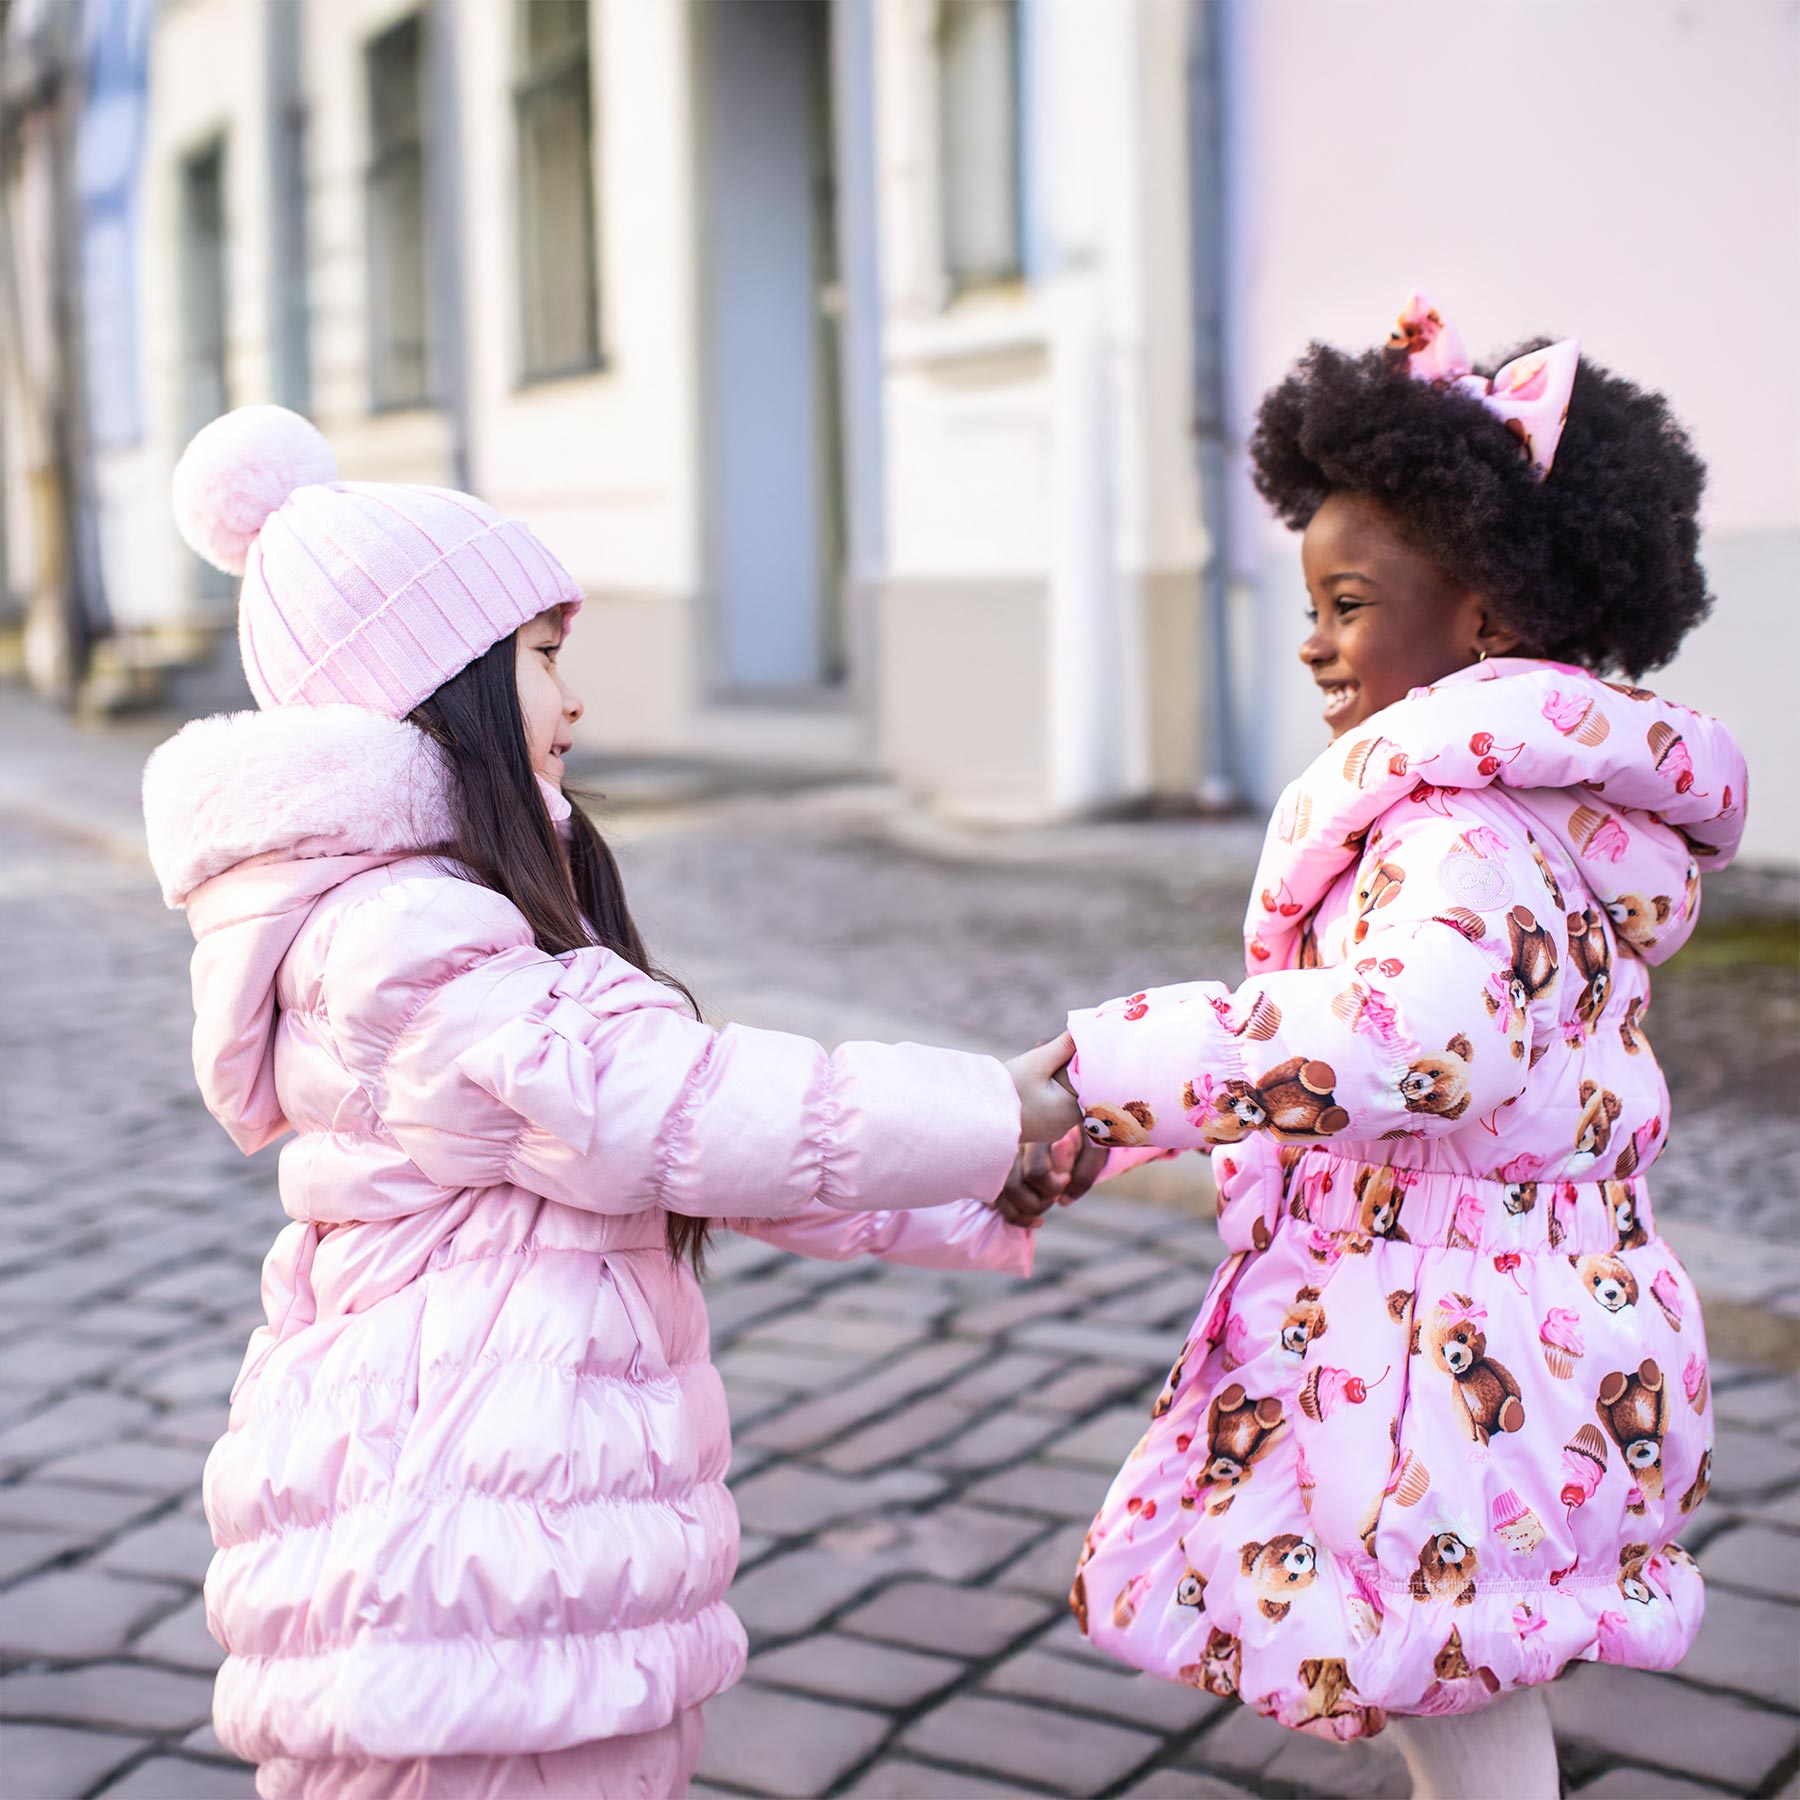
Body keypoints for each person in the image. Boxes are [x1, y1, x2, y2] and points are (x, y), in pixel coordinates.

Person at [142, 405, 1079, 1799]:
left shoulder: (444, 911)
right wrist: (991, 1106)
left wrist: (970, 1180)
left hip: (514, 1561)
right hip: (465, 1569)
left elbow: (701, 1159)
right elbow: (679, 1106)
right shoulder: (407, 942)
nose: (573, 701)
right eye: (543, 658)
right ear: (441, 682)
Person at [1052, 293, 1746, 1799]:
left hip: (1446, 1345)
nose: (1312, 644)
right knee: (1458, 1680)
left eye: (1349, 603)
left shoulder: (1458, 830)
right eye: (1309, 603)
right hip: (1491, 1307)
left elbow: (1413, 1045)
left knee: (1452, 1675)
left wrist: (1113, 1074)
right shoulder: (1529, 814)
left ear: (1488, 610)